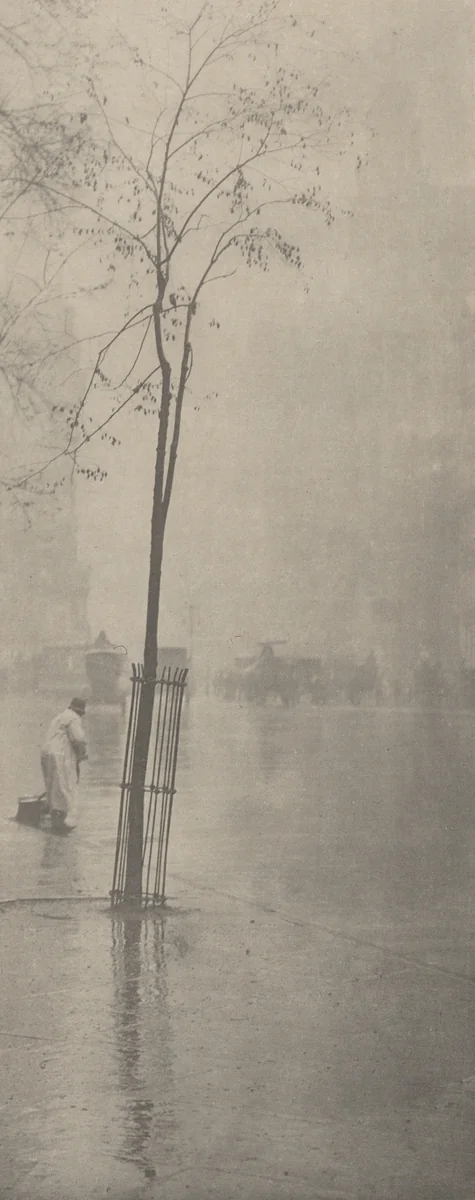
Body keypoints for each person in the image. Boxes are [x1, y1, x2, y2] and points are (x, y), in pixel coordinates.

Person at [41, 698, 87, 832]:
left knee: (52, 787)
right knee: (63, 786)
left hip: (46, 753)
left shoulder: (59, 717)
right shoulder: (74, 718)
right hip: (59, 755)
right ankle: (61, 823)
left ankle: (55, 820)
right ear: (79, 711)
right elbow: (78, 738)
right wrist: (82, 753)